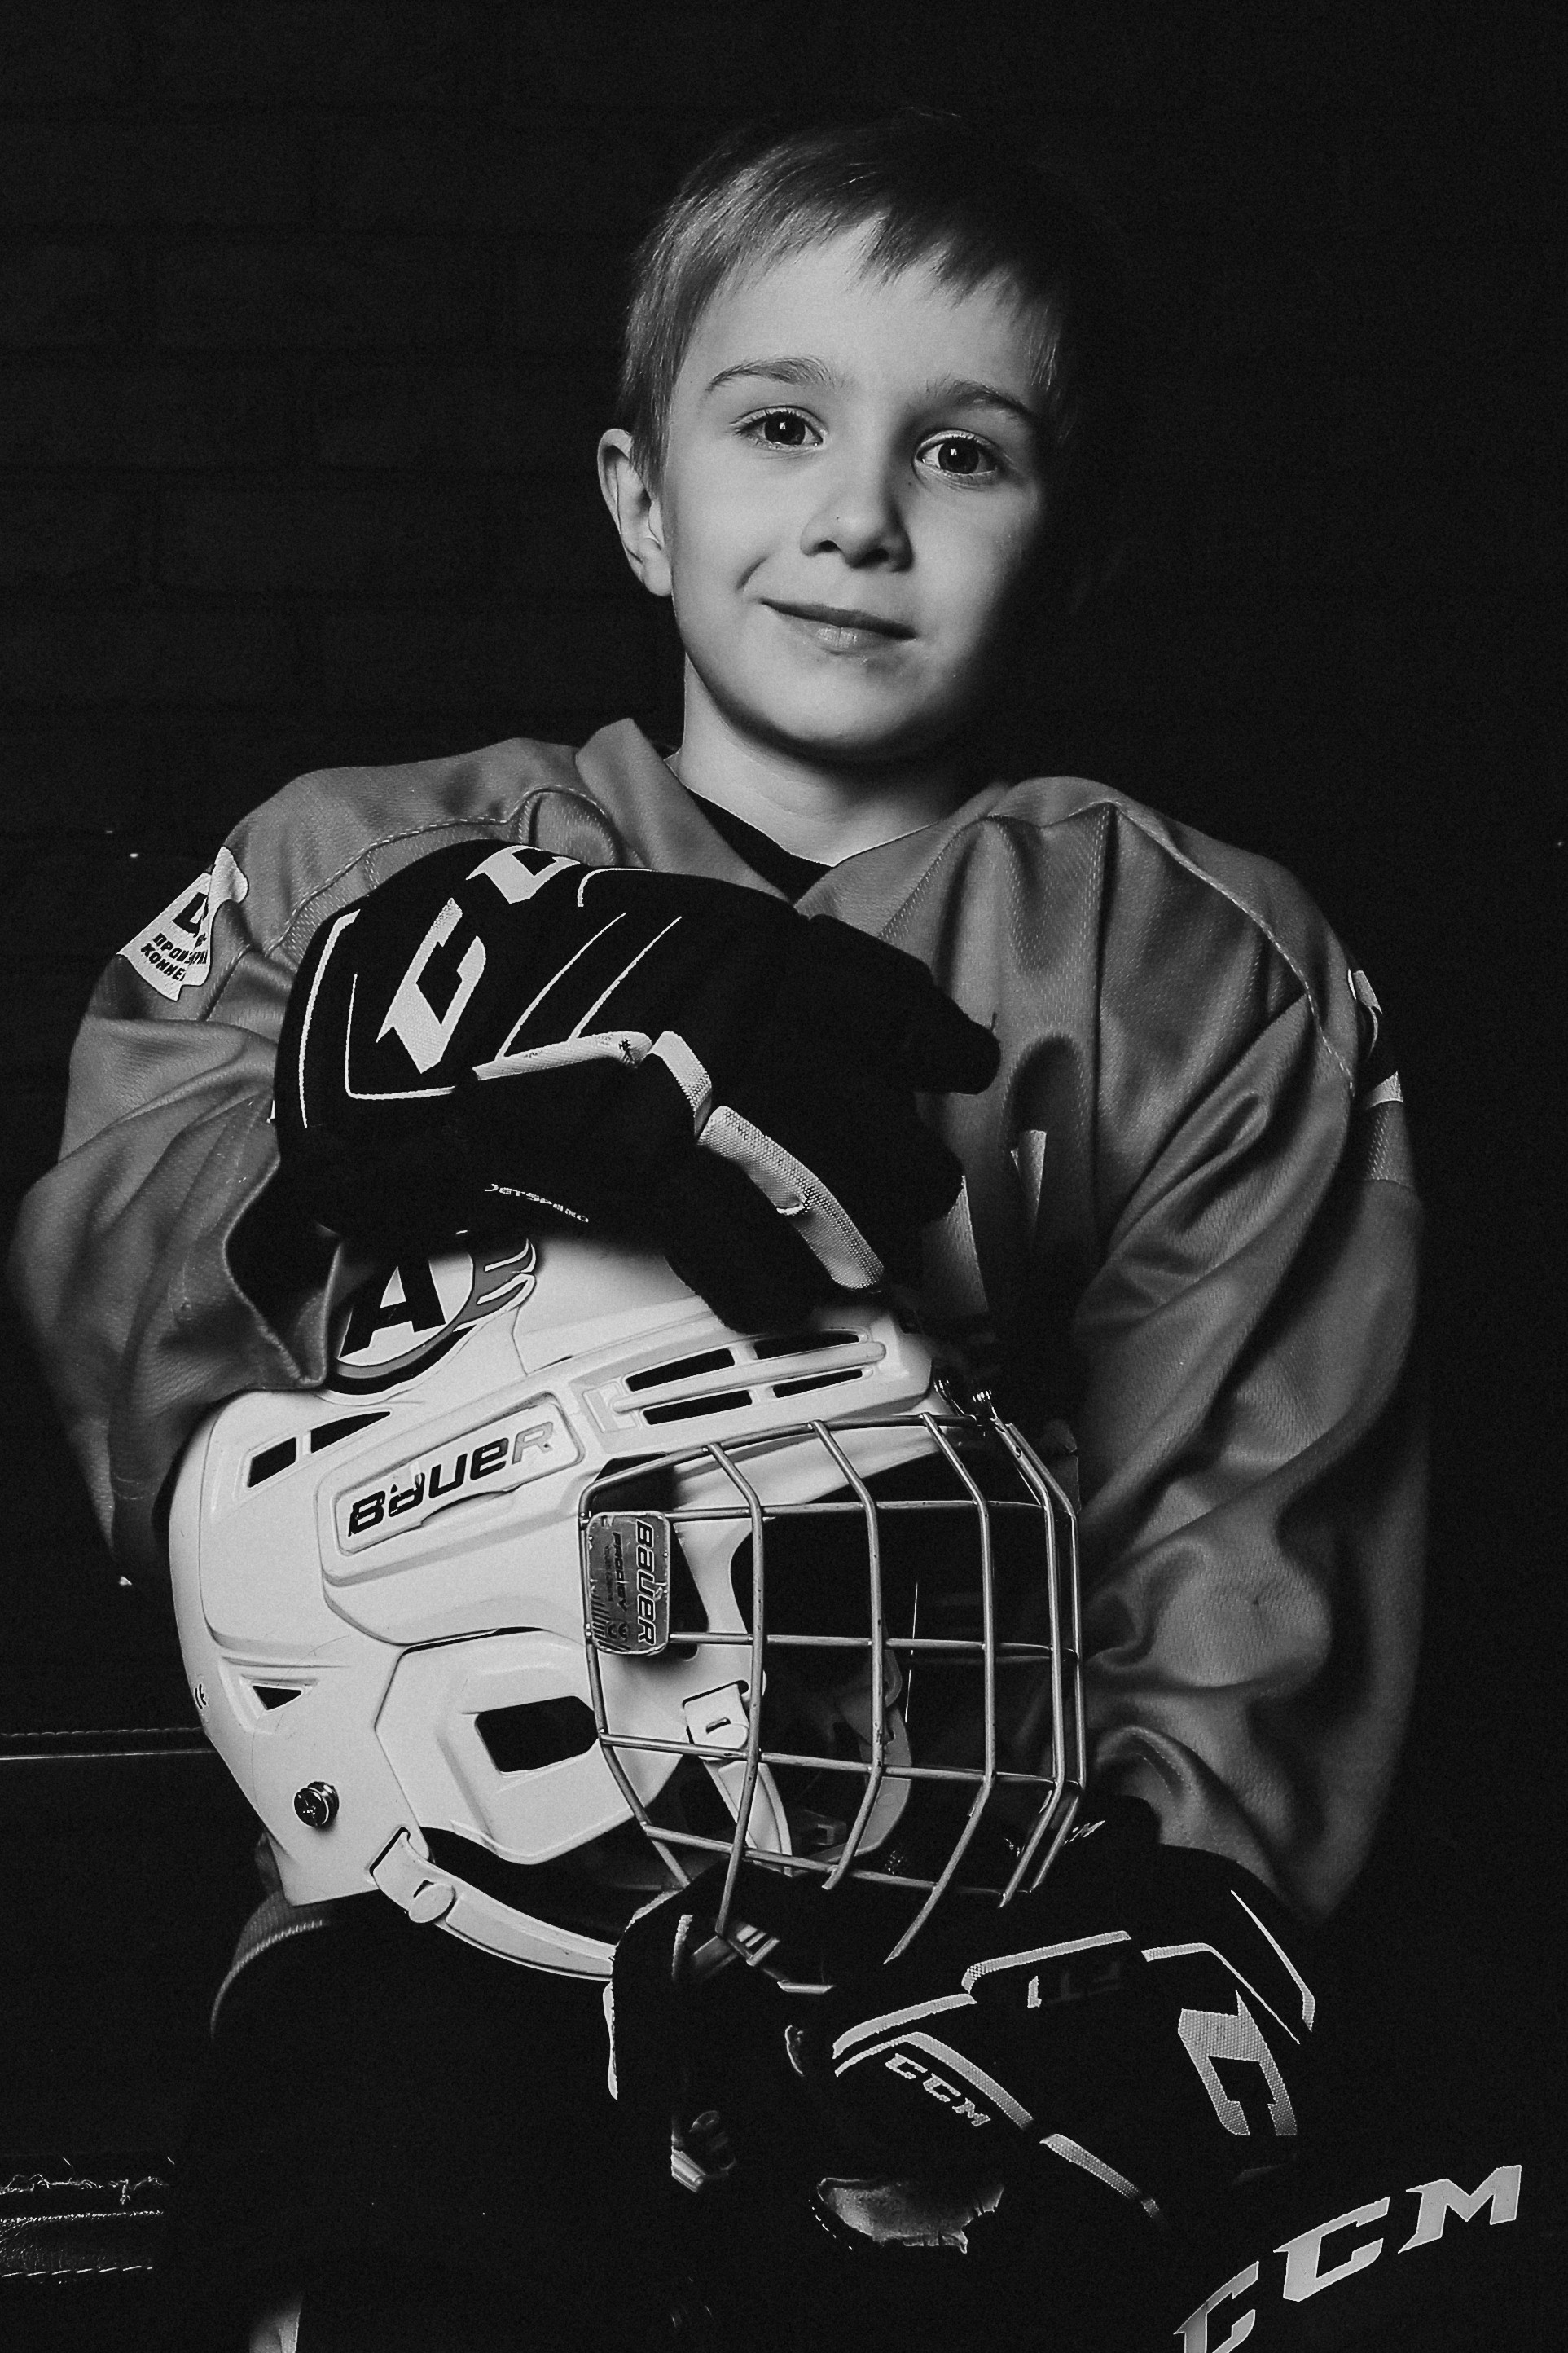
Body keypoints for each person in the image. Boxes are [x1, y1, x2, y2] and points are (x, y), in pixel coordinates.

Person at [7, 112, 1423, 2351]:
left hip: (975, 1921)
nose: (858, 516)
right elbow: (123, 1291)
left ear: (1072, 553)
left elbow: (1255, 1510)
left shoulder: (1191, 962)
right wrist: (368, 1108)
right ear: (640, 499)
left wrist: (1165, 1895)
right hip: (438, 1904)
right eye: (778, 426)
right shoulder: (356, 870)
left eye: (966, 456)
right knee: (364, 2256)